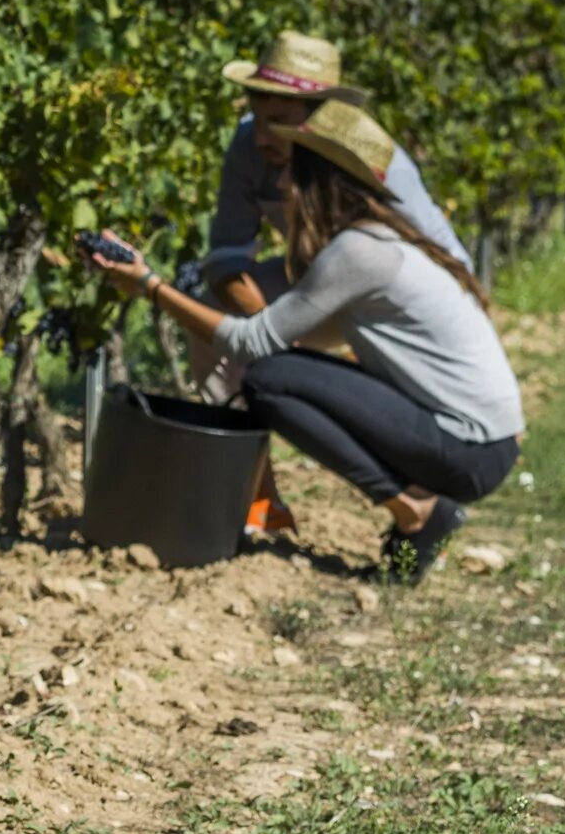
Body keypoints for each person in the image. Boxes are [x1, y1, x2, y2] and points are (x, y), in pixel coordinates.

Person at [91, 102, 522, 583]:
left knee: (270, 381)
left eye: (289, 173)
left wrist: (149, 284)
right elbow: (309, 337)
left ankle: (416, 511)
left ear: (317, 182)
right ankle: (412, 519)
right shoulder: (376, 240)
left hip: (470, 451)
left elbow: (252, 343)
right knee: (281, 374)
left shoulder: (358, 252)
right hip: (483, 442)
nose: (277, 186)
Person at [193, 31, 469, 540]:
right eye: (258, 112)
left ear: (321, 115)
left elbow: (445, 267)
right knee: (210, 318)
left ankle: (421, 506)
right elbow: (227, 256)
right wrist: (269, 327)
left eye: (279, 119)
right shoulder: (248, 145)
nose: (261, 134)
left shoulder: (374, 160)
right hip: (312, 284)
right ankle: (255, 504)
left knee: (386, 396)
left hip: (391, 296)